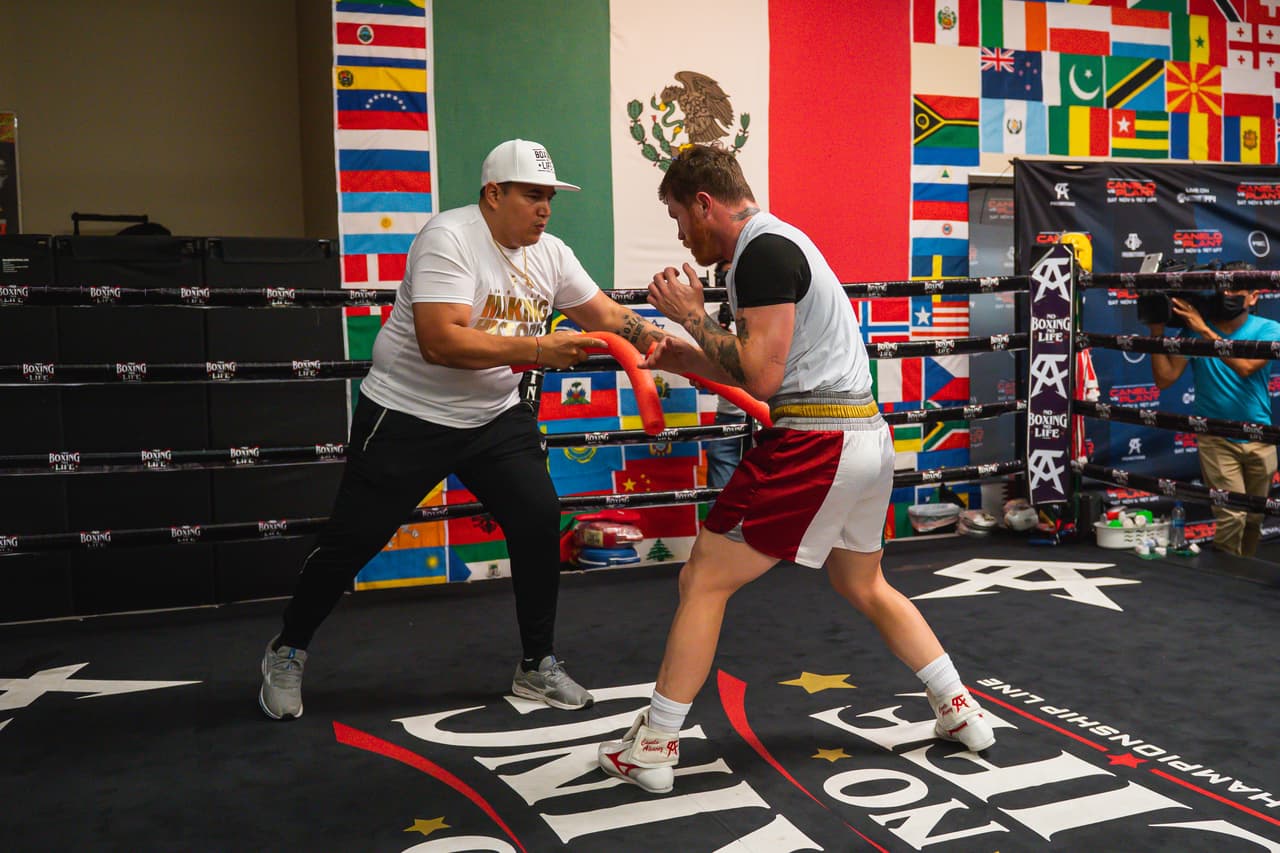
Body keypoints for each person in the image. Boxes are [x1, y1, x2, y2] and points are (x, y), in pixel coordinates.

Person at [595, 144, 995, 794]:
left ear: (704, 202)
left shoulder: (762, 252)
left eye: (678, 217)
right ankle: (960, 709)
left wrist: (693, 316)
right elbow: (751, 362)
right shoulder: (768, 249)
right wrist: (681, 356)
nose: (679, 234)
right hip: (863, 437)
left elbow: (760, 375)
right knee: (862, 583)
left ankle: (655, 743)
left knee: (703, 578)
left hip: (817, 440)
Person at [258, 139, 667, 720]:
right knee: (353, 541)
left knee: (536, 516)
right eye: (532, 195)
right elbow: (441, 340)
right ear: (493, 194)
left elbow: (606, 316)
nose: (545, 208)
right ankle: (287, 648)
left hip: (493, 417)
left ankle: (536, 665)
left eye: (549, 197)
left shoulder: (550, 252)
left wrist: (677, 345)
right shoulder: (449, 239)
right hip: (408, 412)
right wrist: (536, 348)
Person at [1146, 280, 1280, 557]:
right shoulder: (1194, 331)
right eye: (1224, 289)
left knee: (1255, 516)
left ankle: (1243, 572)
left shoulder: (1269, 329)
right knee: (1232, 515)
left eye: (1235, 291)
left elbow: (1245, 367)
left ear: (1253, 297)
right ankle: (1228, 579)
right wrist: (1156, 331)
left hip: (1260, 435)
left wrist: (1204, 331)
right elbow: (1165, 378)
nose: (1227, 295)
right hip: (1216, 437)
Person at [705, 262, 748, 489]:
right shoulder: (710, 320)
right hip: (729, 415)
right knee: (722, 497)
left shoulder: (767, 314)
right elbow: (706, 384)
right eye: (724, 275)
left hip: (767, 414)